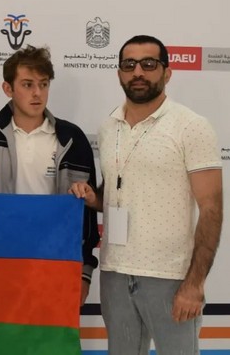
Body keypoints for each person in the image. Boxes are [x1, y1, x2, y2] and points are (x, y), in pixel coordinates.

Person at [71, 35, 223, 355]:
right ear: (119, 73)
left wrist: (194, 284)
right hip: (115, 273)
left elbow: (211, 208)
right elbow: (115, 191)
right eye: (129, 65)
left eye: (148, 64)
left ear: (167, 72)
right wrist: (92, 198)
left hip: (171, 276)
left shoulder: (190, 126)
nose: (138, 72)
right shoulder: (109, 126)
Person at [0, 45, 99, 305]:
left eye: (43, 84)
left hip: (56, 261)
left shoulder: (72, 138)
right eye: (27, 85)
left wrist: (85, 271)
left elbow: (88, 214)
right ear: (8, 89)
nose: (37, 93)